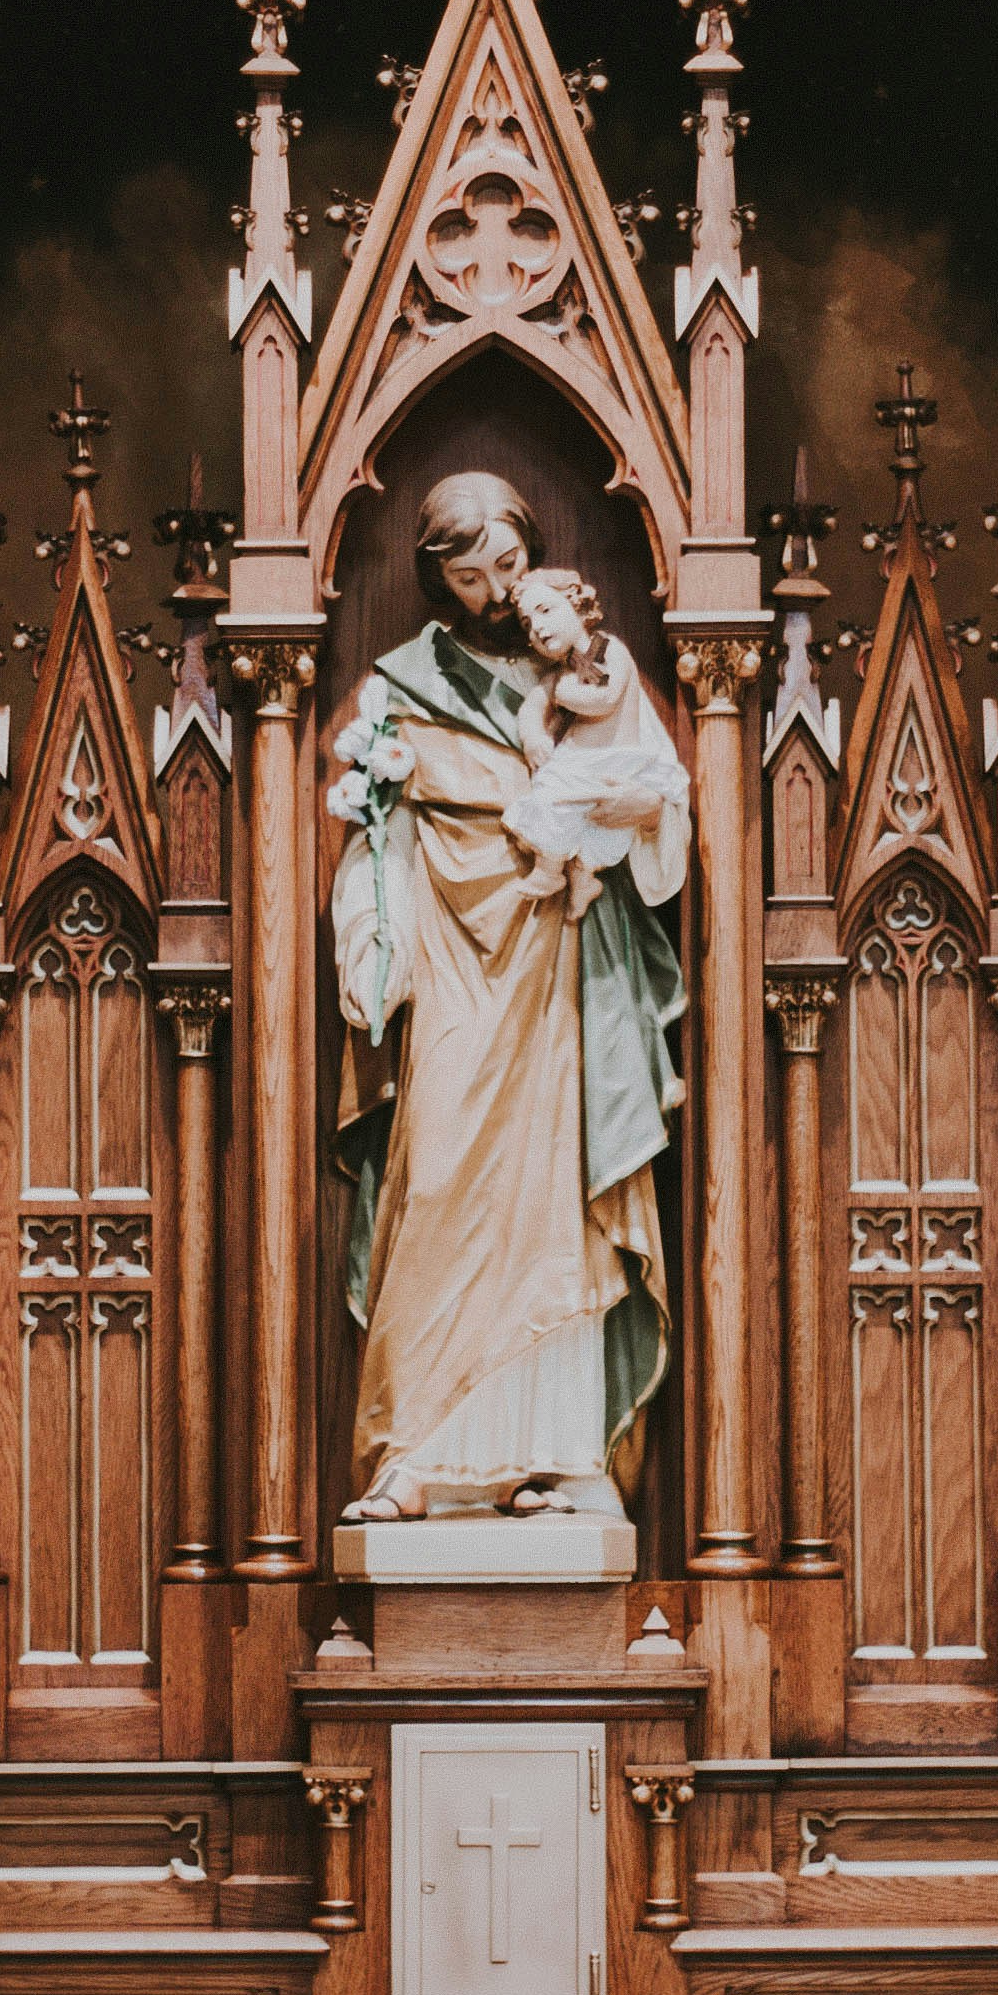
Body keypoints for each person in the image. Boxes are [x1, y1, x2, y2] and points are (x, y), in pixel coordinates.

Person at [320, 473, 687, 1525]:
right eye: (469, 574)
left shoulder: (588, 670)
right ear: (436, 577)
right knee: (431, 1182)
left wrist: (623, 813)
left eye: (509, 568)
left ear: (538, 562)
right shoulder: (397, 690)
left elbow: (663, 811)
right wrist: (369, 955)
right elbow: (376, 841)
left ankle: (562, 1459)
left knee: (560, 1209)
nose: (492, 591)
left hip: (565, 977)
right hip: (452, 973)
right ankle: (414, 1458)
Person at [495, 564, 681, 911]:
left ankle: (556, 872)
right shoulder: (558, 674)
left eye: (545, 611)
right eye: (527, 624)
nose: (537, 627)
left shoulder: (607, 650)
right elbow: (531, 709)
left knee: (562, 804)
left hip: (612, 761)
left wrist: (564, 694)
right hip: (580, 761)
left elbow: (605, 699)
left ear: (578, 607)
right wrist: (533, 735)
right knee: (565, 812)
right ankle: (582, 878)